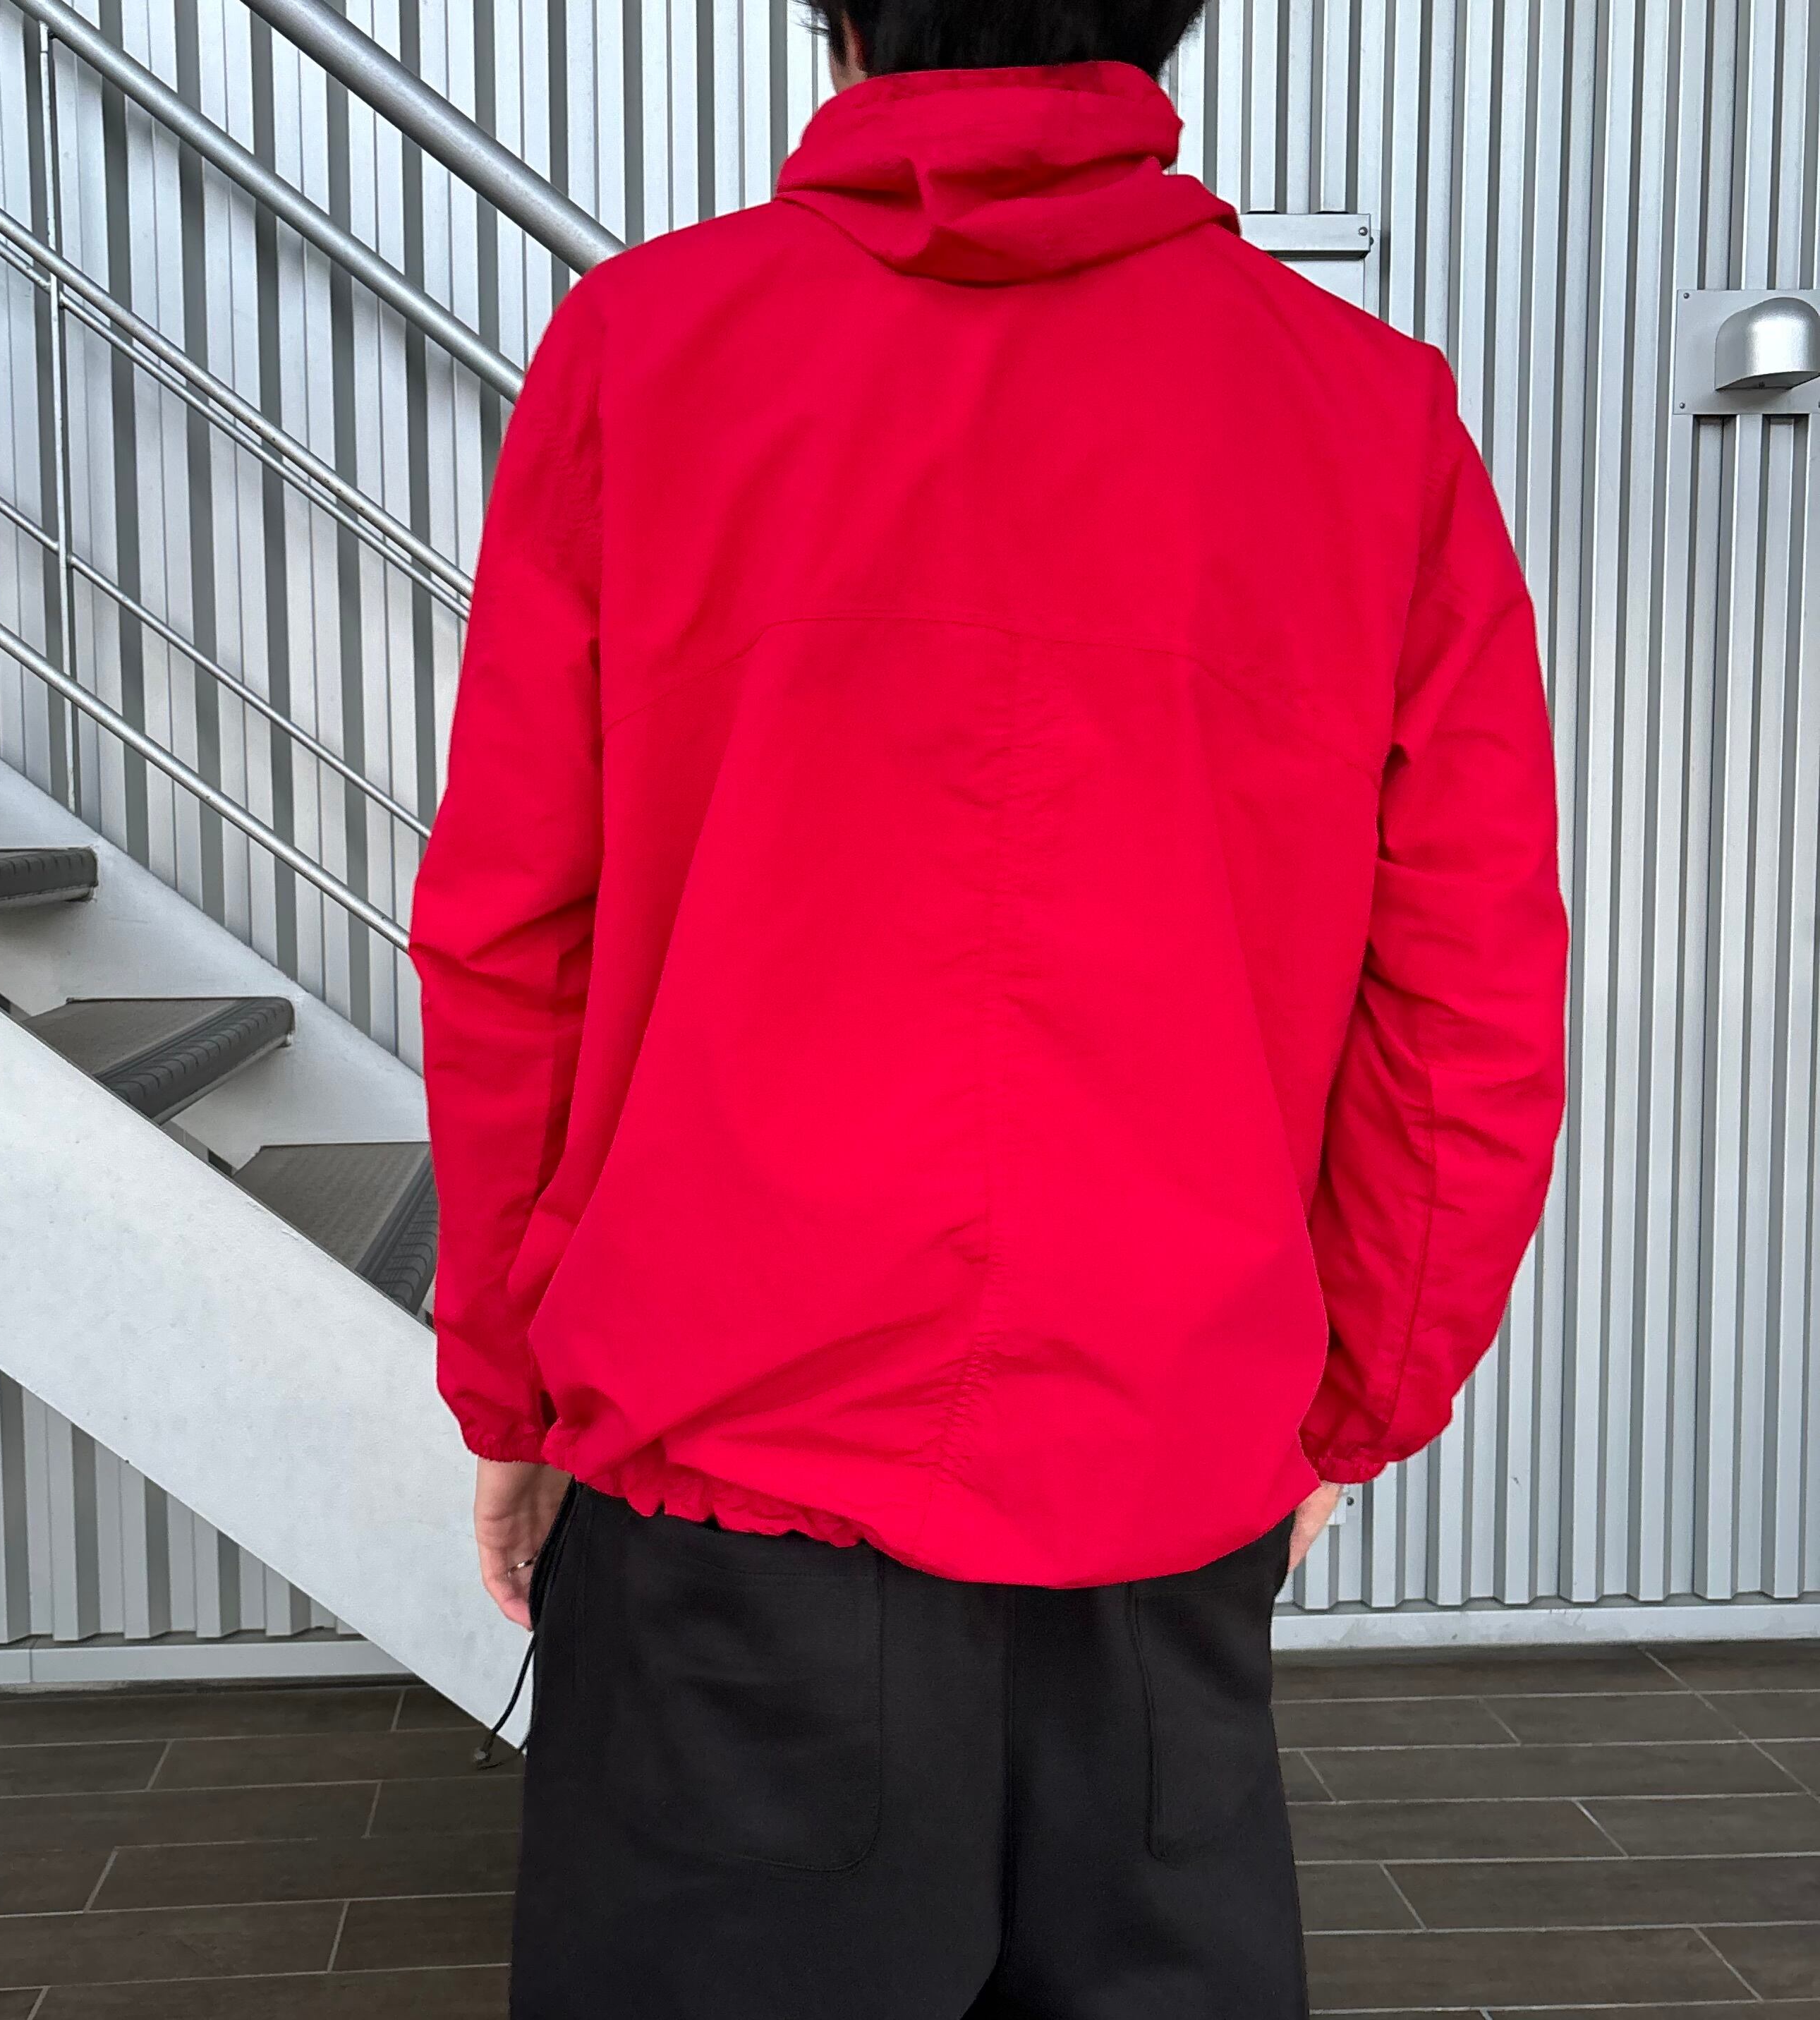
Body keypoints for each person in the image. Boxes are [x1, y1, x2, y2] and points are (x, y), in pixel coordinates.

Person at [409, 1, 1570, 2012]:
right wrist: (1352, 1408)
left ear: (839, 12)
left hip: (731, 1490)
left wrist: (513, 1387)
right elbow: (1468, 998)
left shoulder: (645, 354)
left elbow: (515, 931)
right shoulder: (1369, 414)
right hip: (1164, 1491)